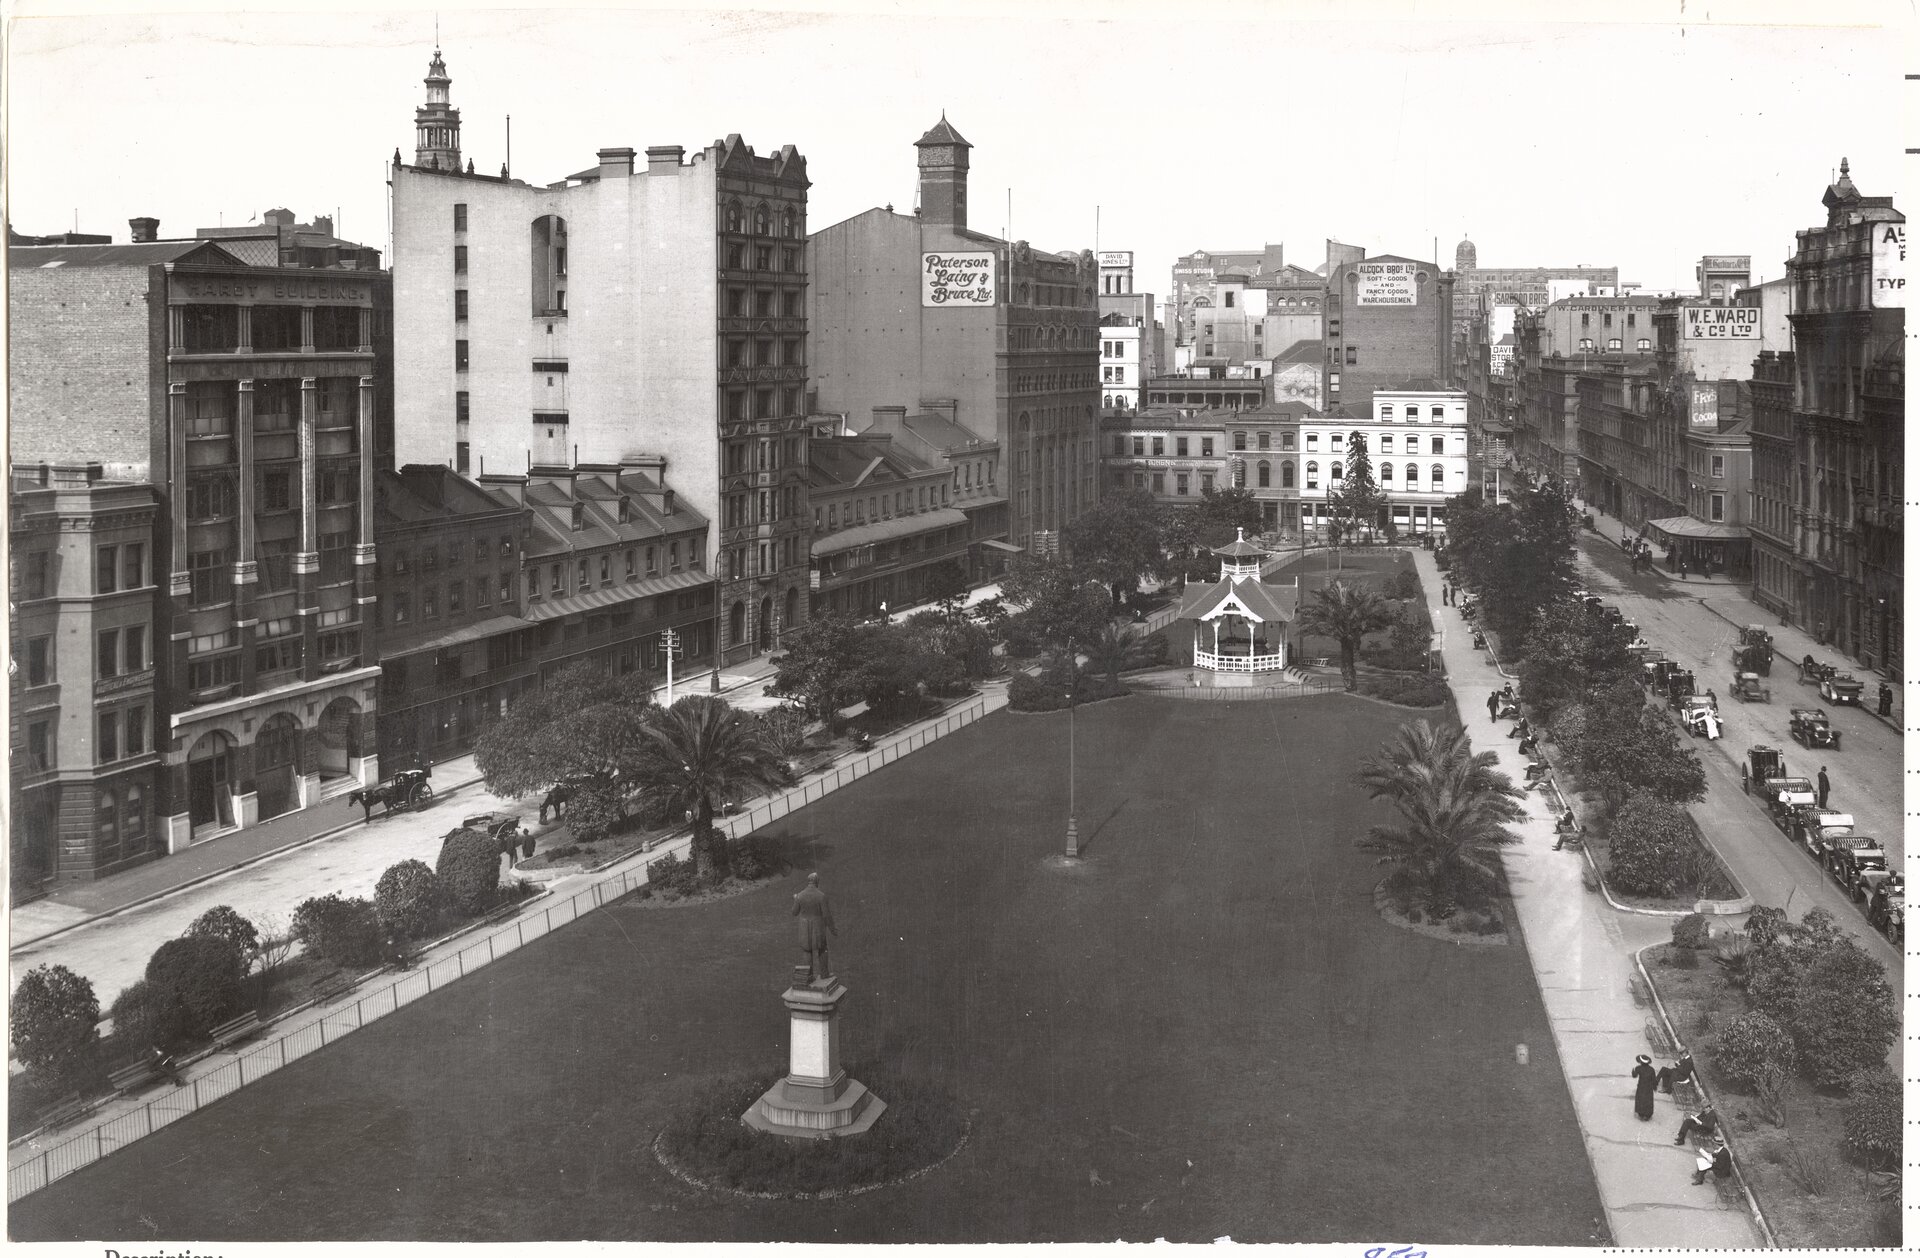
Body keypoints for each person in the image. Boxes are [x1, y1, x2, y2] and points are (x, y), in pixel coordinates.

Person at [792, 872, 837, 984]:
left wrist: (795, 899)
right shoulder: (821, 896)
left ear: (808, 881)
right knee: (822, 949)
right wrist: (832, 929)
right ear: (817, 881)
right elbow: (826, 915)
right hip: (818, 927)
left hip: (804, 928)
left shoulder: (800, 895)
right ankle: (824, 974)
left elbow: (794, 912)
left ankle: (808, 977)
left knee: (807, 951)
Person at [1631, 1054, 1658, 1120]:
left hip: (1641, 1087)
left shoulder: (1638, 1068)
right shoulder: (1651, 1069)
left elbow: (1634, 1075)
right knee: (1648, 1100)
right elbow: (1654, 1080)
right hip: (1649, 1088)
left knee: (1640, 1099)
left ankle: (1641, 1114)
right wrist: (1654, 1087)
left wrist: (1633, 1071)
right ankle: (1648, 1115)